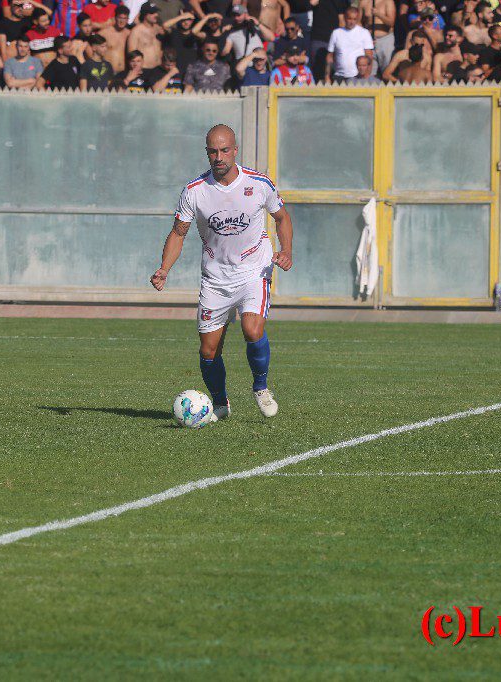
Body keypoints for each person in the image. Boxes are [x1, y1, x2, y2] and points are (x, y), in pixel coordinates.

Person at [150, 124, 294, 421]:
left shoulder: (259, 183)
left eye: (224, 150)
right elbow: (178, 233)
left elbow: (281, 217)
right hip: (216, 278)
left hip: (254, 268)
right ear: (207, 153)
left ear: (235, 150)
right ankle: (219, 403)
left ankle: (261, 387)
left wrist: (286, 250)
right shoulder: (195, 191)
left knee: (252, 330)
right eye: (213, 151)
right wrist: (164, 268)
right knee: (208, 350)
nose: (219, 157)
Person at [325, 6, 372, 82]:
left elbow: (369, 56)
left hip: (358, 78)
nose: (352, 22)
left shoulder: (364, 33)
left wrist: (367, 75)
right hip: (339, 76)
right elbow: (330, 56)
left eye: (354, 19)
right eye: (349, 18)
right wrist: (327, 76)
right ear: (344, 17)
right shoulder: (336, 33)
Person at [359, 0, 394, 71]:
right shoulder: (363, 2)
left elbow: (391, 22)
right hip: (369, 41)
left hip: (385, 40)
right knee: (369, 69)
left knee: (386, 68)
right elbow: (358, 22)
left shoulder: (388, 1)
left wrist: (379, 14)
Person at [125, 2, 162, 67]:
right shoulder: (136, 31)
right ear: (145, 14)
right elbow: (132, 55)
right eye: (152, 13)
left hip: (158, 70)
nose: (156, 15)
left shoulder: (158, 29)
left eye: (156, 12)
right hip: (144, 71)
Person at [98, 3, 129, 71]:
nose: (122, 21)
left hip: (123, 73)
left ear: (127, 20)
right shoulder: (104, 33)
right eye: (120, 18)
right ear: (115, 18)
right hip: (108, 73)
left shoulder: (129, 34)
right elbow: (92, 46)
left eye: (124, 18)